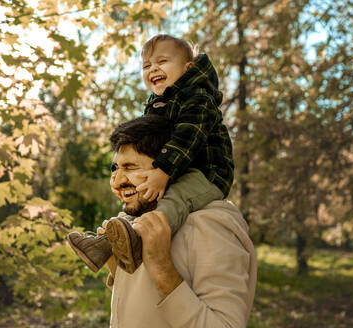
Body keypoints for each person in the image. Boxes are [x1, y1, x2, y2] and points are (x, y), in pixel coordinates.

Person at [67, 34, 234, 274]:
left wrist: (163, 170)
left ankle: (140, 240)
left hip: (206, 174)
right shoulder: (156, 104)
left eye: (162, 62)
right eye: (147, 65)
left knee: (174, 199)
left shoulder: (197, 98)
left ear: (188, 68)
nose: (153, 68)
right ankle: (105, 244)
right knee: (140, 198)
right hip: (174, 169)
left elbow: (187, 138)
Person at [101, 115, 257, 327]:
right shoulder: (140, 220)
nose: (117, 181)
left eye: (129, 167)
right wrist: (116, 267)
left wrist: (161, 266)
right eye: (115, 169)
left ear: (168, 169)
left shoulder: (210, 225)